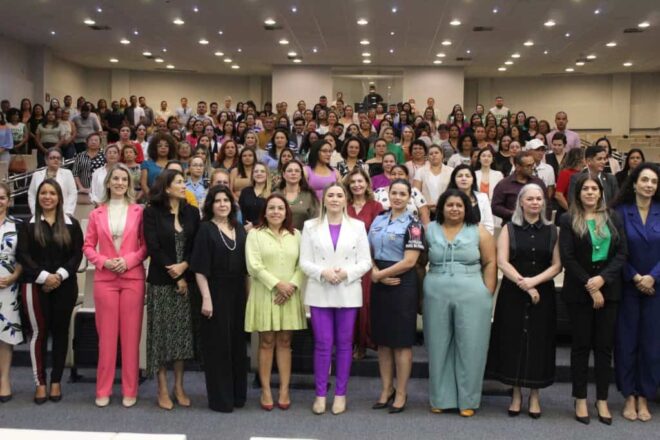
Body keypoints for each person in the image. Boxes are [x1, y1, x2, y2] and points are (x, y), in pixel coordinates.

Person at [486, 184, 562, 418]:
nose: (535, 202)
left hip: (543, 292)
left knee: (539, 343)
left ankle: (535, 395)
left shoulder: (552, 230)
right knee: (514, 342)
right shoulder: (509, 228)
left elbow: (557, 265)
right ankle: (516, 394)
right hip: (514, 292)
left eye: (539, 199)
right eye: (530, 199)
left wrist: (533, 283)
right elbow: (502, 261)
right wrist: (525, 285)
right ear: (521, 202)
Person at [559, 173, 627, 425]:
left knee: (604, 348)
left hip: (609, 291)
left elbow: (622, 253)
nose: (590, 192)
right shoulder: (568, 219)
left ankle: (602, 399)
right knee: (580, 347)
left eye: (594, 189)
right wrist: (591, 285)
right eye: (585, 189)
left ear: (601, 193)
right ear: (578, 194)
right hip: (579, 292)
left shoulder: (613, 217)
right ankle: (580, 398)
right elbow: (567, 257)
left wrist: (602, 280)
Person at [299, 183, 372, 415]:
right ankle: (320, 395)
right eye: (330, 195)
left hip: (347, 291)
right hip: (320, 291)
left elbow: (366, 261)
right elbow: (304, 261)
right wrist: (323, 272)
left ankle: (340, 394)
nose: (334, 199)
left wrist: (346, 274)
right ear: (324, 199)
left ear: (345, 199)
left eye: (339, 195)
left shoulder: (358, 226)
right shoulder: (310, 226)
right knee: (322, 344)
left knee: (344, 344)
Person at [423, 189, 497, 417]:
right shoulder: (429, 230)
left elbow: (490, 262)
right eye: (450, 205)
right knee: (438, 345)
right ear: (441, 208)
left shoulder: (479, 231)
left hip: (473, 292)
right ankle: (440, 398)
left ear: (467, 209)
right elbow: (419, 262)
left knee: (471, 346)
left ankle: (468, 400)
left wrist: (487, 292)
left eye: (459, 205)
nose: (454, 209)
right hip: (436, 290)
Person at [82, 164, 147, 408]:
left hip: (132, 278)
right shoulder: (96, 213)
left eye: (124, 179)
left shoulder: (139, 211)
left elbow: (145, 246)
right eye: (116, 179)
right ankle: (103, 389)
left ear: (129, 184)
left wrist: (128, 261)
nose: (120, 183)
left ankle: (130, 389)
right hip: (106, 279)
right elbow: (88, 246)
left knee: (131, 338)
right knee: (106, 339)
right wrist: (104, 261)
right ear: (108, 182)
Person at [17, 179, 83, 404]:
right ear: (37, 197)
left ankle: (56, 381)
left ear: (59, 198)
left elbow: (77, 254)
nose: (47, 197)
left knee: (61, 332)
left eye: (52, 193)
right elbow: (23, 255)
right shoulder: (27, 225)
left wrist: (59, 276)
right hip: (35, 286)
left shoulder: (72, 223)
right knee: (39, 334)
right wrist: (45, 277)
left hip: (65, 285)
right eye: (43, 193)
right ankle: (40, 383)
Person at [143, 170, 200, 410]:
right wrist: (176, 275)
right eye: (179, 182)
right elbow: (153, 247)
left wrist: (185, 267)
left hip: (186, 281)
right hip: (161, 282)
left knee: (181, 338)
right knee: (161, 337)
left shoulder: (191, 212)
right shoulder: (151, 212)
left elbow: (196, 245)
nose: (183, 185)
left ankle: (179, 386)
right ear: (167, 188)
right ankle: (162, 388)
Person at [368, 179, 425, 414]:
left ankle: (401, 392)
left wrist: (380, 275)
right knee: (383, 341)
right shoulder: (378, 219)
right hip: (379, 281)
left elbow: (410, 261)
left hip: (402, 283)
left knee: (401, 342)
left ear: (409, 198)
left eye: (403, 194)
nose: (398, 197)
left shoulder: (414, 225)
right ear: (388, 194)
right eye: (395, 193)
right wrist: (375, 272)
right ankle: (386, 389)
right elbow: (367, 250)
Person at [245, 193, 307, 411]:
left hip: (289, 294)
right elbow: (254, 266)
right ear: (264, 212)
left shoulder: (296, 235)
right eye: (271, 208)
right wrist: (278, 285)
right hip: (266, 293)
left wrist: (291, 286)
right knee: (266, 341)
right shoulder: (255, 234)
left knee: (285, 342)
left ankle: (284, 390)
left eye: (280, 208)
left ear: (286, 212)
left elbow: (302, 264)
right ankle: (266, 390)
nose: (275, 212)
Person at [190, 185, 248, 412]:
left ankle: (237, 396)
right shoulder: (205, 229)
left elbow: (245, 269)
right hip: (214, 292)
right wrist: (206, 298)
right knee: (218, 347)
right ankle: (221, 399)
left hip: (238, 293)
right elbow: (199, 269)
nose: (222, 204)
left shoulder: (239, 228)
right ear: (210, 205)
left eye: (226, 200)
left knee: (237, 345)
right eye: (217, 201)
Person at [611, 163, 660, 422]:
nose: (649, 185)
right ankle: (629, 395)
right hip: (627, 285)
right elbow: (615, 250)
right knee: (627, 342)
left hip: (656, 288)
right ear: (634, 183)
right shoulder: (619, 212)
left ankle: (644, 395)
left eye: (654, 181)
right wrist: (635, 276)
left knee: (652, 344)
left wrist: (653, 276)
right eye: (645, 180)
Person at [0, 183, 23, 402]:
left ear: (9, 201)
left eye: (2, 198)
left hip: (8, 286)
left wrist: (15, 276)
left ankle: (4, 379)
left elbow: (23, 257)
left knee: (5, 336)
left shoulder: (18, 225)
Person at [491, 151, 547, 224]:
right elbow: (495, 207)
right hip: (512, 225)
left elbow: (547, 205)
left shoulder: (538, 182)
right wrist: (515, 214)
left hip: (536, 225)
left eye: (533, 165)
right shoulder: (504, 184)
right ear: (518, 167)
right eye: (528, 166)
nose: (532, 168)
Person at [28, 147, 77, 216]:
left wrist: (68, 212)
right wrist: (34, 211)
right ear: (46, 160)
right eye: (52, 158)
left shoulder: (67, 173)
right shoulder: (37, 175)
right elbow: (31, 194)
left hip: (62, 213)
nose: (56, 160)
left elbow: (73, 193)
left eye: (58, 158)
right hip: (41, 213)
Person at [448, 165, 495, 234]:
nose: (464, 178)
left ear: (473, 180)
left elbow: (489, 226)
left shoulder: (482, 197)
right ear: (454, 180)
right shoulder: (447, 198)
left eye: (467, 176)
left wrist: (484, 238)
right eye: (460, 176)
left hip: (479, 238)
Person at [275, 160, 319, 230]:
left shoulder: (309, 196)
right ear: (284, 174)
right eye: (289, 171)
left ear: (301, 175)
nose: (293, 173)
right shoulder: (276, 195)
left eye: (297, 171)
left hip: (304, 235)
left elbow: (316, 220)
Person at [413, 145, 453, 215]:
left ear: (442, 155)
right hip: (426, 210)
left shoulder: (451, 171)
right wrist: (424, 205)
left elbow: (454, 191)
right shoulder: (420, 171)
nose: (434, 155)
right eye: (431, 154)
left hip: (447, 209)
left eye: (436, 153)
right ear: (427, 157)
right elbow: (415, 192)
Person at [140, 133, 176, 197]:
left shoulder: (174, 164)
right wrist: (152, 198)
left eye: (166, 146)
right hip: (151, 198)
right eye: (160, 146)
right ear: (154, 148)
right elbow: (143, 184)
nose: (163, 148)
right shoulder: (146, 164)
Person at [239, 163, 271, 230]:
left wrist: (253, 224)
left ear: (267, 175)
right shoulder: (245, 191)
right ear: (252, 175)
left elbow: (270, 215)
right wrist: (245, 226)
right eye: (256, 171)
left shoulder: (272, 194)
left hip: (265, 229)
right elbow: (241, 212)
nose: (259, 173)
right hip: (246, 229)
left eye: (262, 171)